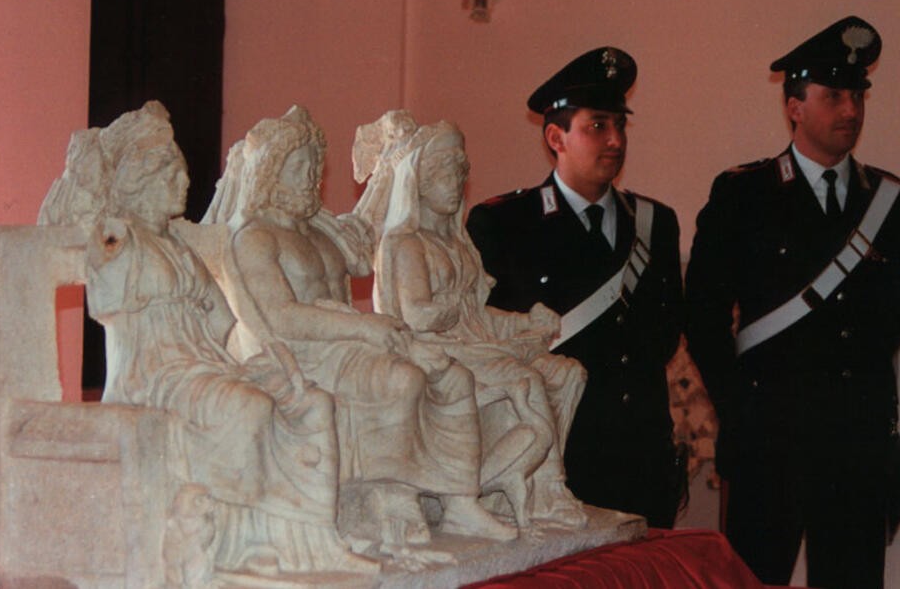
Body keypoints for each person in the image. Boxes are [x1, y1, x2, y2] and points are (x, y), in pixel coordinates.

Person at [41, 101, 377, 576]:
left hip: (205, 362)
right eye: (171, 174)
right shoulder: (119, 239)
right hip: (153, 375)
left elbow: (222, 321)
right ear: (140, 181)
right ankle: (240, 541)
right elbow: (103, 290)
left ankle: (308, 539)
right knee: (251, 407)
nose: (184, 183)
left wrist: (255, 358)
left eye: (181, 172)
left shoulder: (178, 245)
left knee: (312, 402)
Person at [208, 106, 517, 545]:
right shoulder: (255, 237)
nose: (311, 176)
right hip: (299, 353)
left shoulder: (317, 231)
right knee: (402, 380)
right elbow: (282, 317)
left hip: (345, 341)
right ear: (270, 174)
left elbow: (362, 247)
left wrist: (388, 173)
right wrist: (365, 331)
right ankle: (388, 493)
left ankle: (460, 501)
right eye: (299, 167)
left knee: (453, 375)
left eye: (315, 165)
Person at [684, 16, 900, 589]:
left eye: (858, 94)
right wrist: (739, 413)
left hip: (855, 450)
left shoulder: (892, 202)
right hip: (770, 442)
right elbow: (704, 315)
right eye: (833, 94)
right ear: (794, 106)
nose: (851, 109)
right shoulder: (743, 194)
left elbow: (890, 323)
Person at [466, 47, 685, 529]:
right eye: (597, 125)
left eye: (620, 125)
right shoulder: (504, 224)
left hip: (641, 454)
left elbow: (665, 331)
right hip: (559, 455)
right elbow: (488, 340)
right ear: (555, 137)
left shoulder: (654, 222)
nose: (615, 140)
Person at [365, 119, 588, 528]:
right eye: (446, 174)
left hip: (471, 345)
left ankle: (529, 488)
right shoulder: (405, 243)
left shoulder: (458, 245)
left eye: (460, 174)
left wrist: (524, 322)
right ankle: (526, 492)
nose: (456, 183)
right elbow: (417, 317)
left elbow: (476, 316)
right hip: (435, 352)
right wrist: (451, 309)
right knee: (526, 379)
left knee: (568, 372)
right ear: (420, 180)